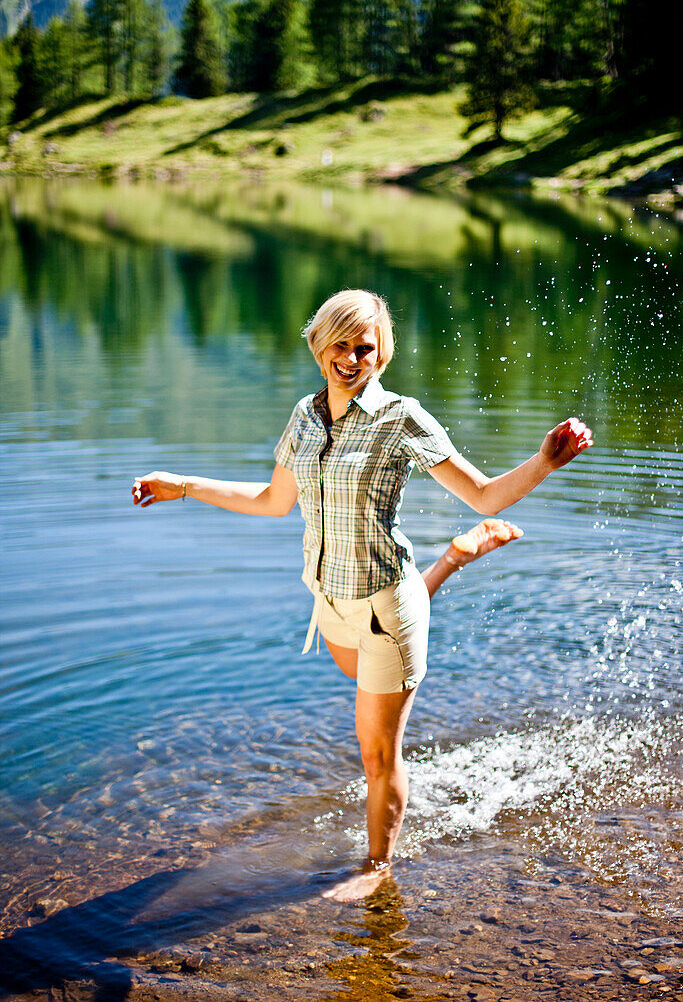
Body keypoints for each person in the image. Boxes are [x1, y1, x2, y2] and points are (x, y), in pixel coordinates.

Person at [132, 289, 593, 902]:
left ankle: (376, 871)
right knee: (362, 685)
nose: (352, 358)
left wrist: (543, 462)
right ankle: (454, 557)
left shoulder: (402, 418)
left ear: (383, 353)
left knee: (377, 755)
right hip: (329, 601)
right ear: (321, 347)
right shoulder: (304, 415)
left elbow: (483, 494)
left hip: (385, 603)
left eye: (365, 347)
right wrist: (182, 484)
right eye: (341, 345)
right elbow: (273, 502)